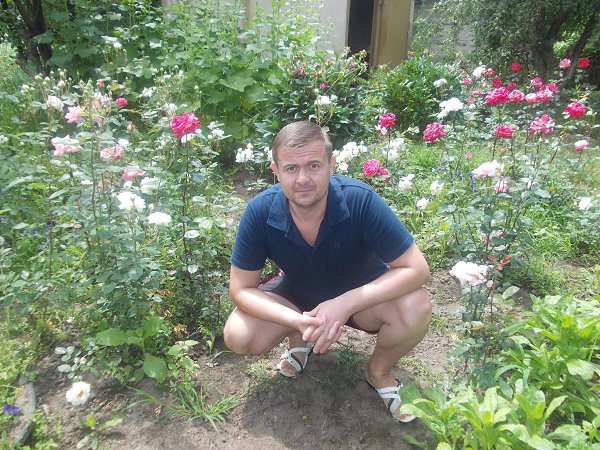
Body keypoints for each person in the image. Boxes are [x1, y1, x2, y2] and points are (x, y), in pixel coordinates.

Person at [224, 121, 432, 422]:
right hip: (297, 294)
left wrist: (344, 303)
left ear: (331, 164)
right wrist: (296, 320)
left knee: (417, 306)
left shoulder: (359, 200)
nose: (303, 179)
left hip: (362, 297)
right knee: (238, 334)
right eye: (291, 168)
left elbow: (418, 269)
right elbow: (241, 289)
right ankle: (299, 337)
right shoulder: (260, 211)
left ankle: (378, 372)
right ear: (276, 170)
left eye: (313, 165)